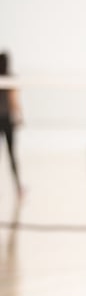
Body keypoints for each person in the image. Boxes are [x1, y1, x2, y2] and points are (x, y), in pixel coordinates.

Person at [0, 51, 23, 197]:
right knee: (11, 154)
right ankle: (18, 188)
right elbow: (13, 100)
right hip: (7, 119)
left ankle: (19, 188)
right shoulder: (10, 77)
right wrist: (20, 116)